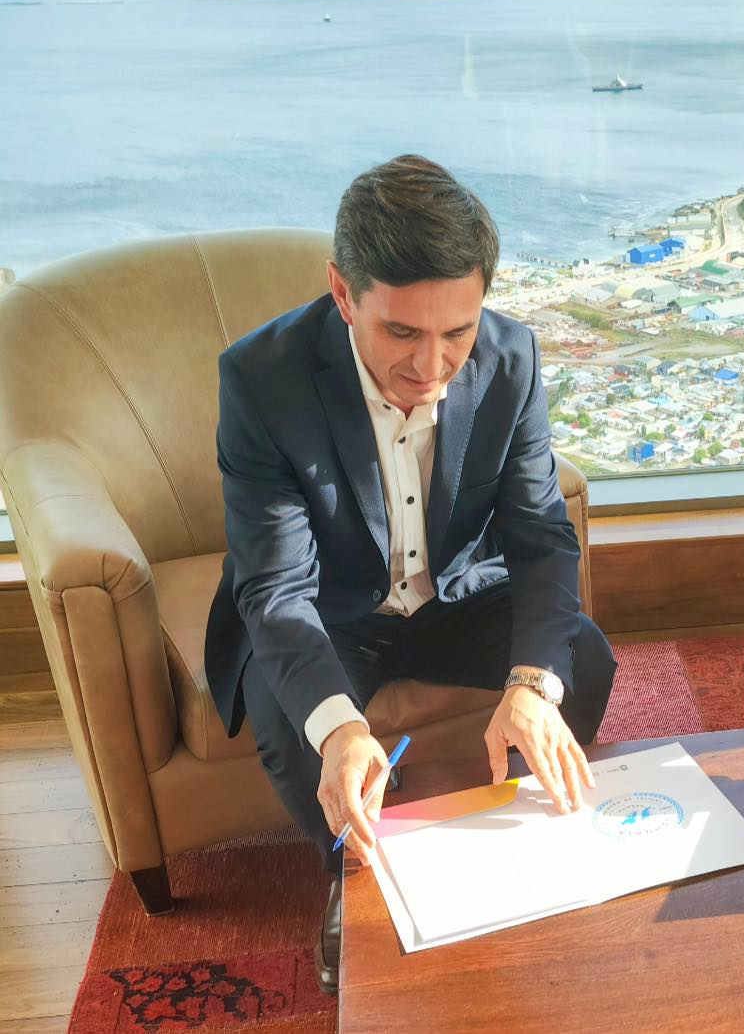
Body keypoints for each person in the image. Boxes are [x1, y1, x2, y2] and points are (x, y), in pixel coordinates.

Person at [204, 154, 616, 992]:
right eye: (402, 333)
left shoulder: (511, 358)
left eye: (456, 331)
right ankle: (353, 875)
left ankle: (505, 840)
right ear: (342, 291)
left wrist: (530, 685)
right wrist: (341, 729)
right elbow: (276, 589)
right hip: (328, 610)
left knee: (584, 657)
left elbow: (542, 538)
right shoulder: (261, 379)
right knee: (291, 719)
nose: (432, 366)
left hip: (456, 593)